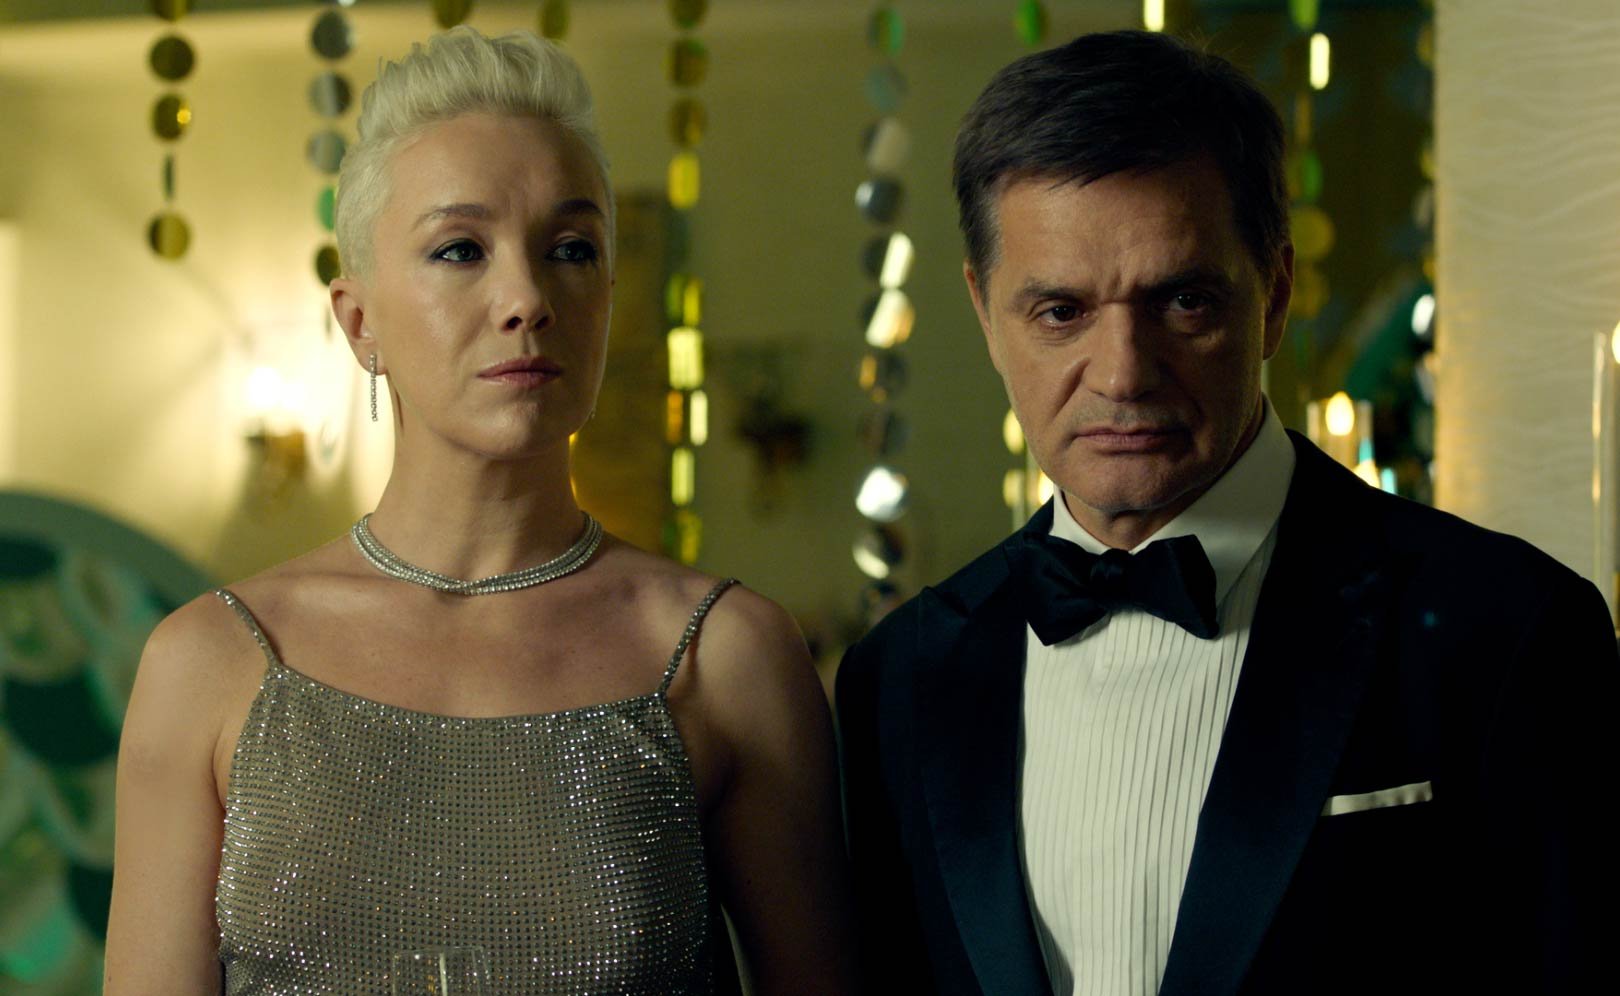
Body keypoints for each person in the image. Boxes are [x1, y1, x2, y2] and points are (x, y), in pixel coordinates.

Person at [836, 29, 1618, 996]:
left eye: (1184, 302)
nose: (1123, 375)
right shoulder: (898, 679)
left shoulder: (1505, 629)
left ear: (1275, 295)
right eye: (1061, 313)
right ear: (985, 313)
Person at [105, 28, 855, 996]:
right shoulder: (212, 664)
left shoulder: (727, 655)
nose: (527, 298)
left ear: (608, 298)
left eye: (571, 250)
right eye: (460, 249)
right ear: (360, 321)